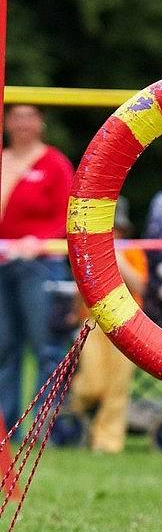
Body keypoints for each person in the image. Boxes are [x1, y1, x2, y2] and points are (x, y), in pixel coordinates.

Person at [0, 105, 74, 430]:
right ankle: (6, 425)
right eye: (16, 118)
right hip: (3, 264)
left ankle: (45, 427)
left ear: (41, 123)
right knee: (4, 347)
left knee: (46, 346)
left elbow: (68, 214)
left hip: (41, 265)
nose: (22, 125)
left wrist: (38, 241)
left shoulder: (54, 163)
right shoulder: (3, 159)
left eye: (29, 118)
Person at [67, 197, 148, 453]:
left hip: (127, 324)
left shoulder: (133, 252)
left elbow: (139, 286)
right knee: (92, 382)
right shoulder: (87, 250)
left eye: (117, 230)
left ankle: (107, 441)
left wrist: (118, 260)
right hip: (92, 322)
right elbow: (79, 286)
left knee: (117, 387)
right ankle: (76, 409)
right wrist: (73, 313)